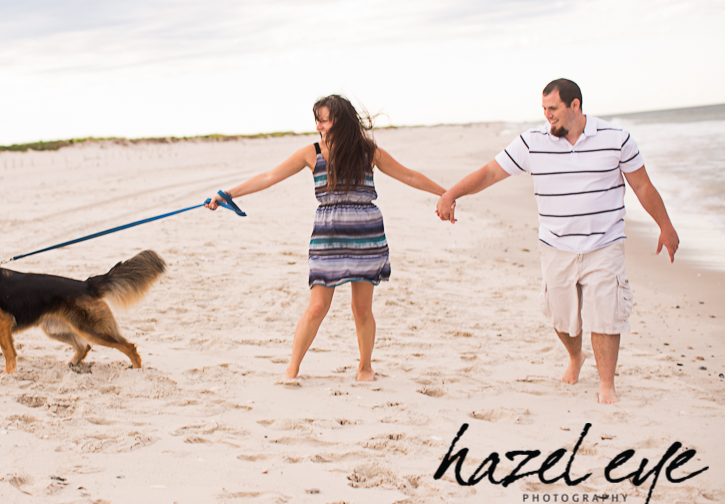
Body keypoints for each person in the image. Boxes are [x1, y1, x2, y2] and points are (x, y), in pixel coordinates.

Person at [435, 79, 679, 404]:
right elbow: (491, 173)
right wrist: (452, 193)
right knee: (563, 319)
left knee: (605, 315)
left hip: (604, 243)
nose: (548, 116)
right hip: (555, 245)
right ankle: (575, 357)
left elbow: (643, 186)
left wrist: (665, 225)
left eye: (554, 109)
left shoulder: (616, 139)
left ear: (574, 105)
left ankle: (607, 384)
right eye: (544, 110)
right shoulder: (532, 143)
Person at [208, 95, 446, 382]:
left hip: (365, 235)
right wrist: (227, 194)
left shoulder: (369, 152)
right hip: (328, 236)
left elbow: (408, 176)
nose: (319, 125)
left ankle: (365, 367)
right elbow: (269, 177)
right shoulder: (312, 153)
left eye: (324, 119)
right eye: (317, 119)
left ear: (340, 120)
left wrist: (446, 193)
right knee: (318, 306)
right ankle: (292, 369)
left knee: (361, 309)